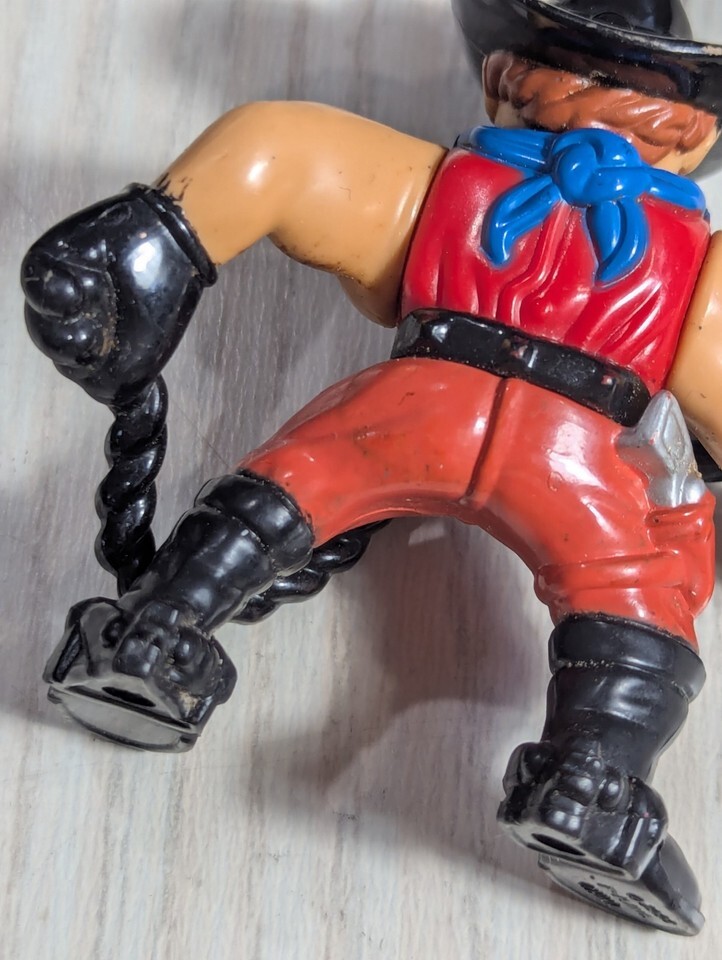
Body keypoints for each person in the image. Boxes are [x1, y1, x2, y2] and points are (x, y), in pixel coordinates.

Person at [20, 0, 722, 934]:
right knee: (632, 597)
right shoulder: (672, 258)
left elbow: (285, 153)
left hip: (450, 403)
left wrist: (155, 242)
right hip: (559, 439)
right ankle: (592, 779)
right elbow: (288, 154)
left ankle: (156, 627)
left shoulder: (442, 186)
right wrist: (156, 245)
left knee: (290, 485)